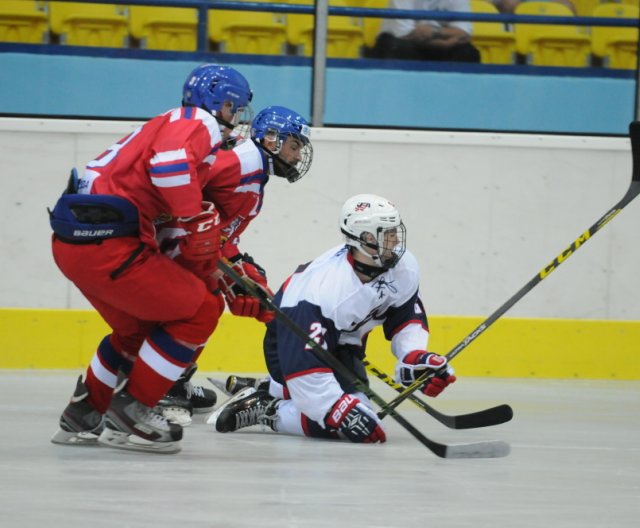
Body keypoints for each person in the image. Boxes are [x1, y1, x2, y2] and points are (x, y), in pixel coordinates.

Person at [49, 63, 253, 454]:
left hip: (74, 243)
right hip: (109, 242)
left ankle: (84, 413)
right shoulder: (199, 122)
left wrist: (192, 228)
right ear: (217, 103)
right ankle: (134, 412)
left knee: (134, 331)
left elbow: (155, 182)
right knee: (202, 310)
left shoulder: (166, 122)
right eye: (233, 108)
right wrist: (195, 219)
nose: (235, 120)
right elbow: (169, 166)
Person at [208, 194, 456, 444]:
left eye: (395, 230)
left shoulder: (404, 266)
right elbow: (302, 368)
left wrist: (413, 356)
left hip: (343, 344)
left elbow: (405, 315)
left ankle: (268, 389)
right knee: (351, 422)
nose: (396, 239)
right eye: (387, 232)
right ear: (366, 238)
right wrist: (335, 409)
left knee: (360, 414)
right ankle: (268, 409)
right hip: (287, 345)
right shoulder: (324, 292)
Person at [155, 105, 314, 422]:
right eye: (294, 146)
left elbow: (223, 227)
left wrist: (239, 264)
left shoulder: (254, 170)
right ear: (271, 139)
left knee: (225, 298)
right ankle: (163, 386)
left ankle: (172, 376)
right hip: (171, 244)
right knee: (201, 305)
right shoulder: (239, 161)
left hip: (190, 247)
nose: (297, 156)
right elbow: (181, 191)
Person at [372, 0, 481, 63]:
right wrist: (444, 42)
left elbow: (464, 32)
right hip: (401, 42)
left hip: (435, 40)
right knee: (398, 47)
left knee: (467, 52)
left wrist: (434, 32)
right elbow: (405, 33)